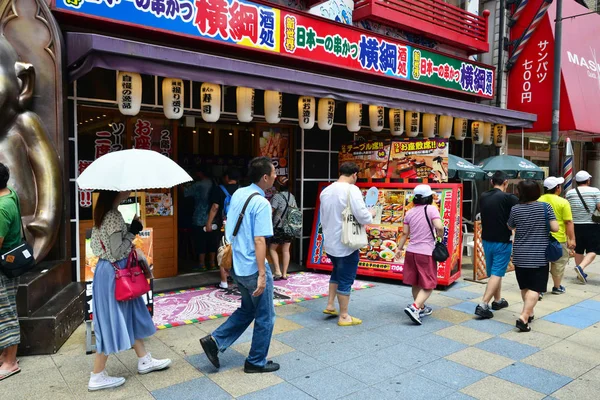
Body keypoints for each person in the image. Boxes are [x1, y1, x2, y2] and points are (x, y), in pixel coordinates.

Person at [199, 157, 280, 373]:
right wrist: (263, 274)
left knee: (247, 310)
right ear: (265, 177)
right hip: (253, 267)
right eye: (273, 173)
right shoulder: (261, 203)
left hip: (237, 264)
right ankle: (256, 361)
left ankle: (215, 341)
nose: (275, 176)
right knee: (266, 316)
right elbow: (260, 240)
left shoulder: (239, 194)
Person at [88, 191, 171, 391]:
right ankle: (97, 375)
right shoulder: (113, 216)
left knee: (131, 314)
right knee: (111, 320)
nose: (129, 191)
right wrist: (133, 232)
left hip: (109, 272)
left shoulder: (105, 213)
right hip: (116, 274)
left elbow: (100, 244)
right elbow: (117, 252)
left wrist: (129, 229)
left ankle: (144, 359)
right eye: (126, 188)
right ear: (116, 191)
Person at [320, 162, 374, 326]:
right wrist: (370, 213)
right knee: (346, 278)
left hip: (330, 242)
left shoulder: (326, 190)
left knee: (336, 271)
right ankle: (344, 316)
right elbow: (362, 215)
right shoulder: (352, 189)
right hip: (346, 243)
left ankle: (330, 305)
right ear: (354, 175)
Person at [507, 180, 558, 332]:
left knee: (525, 286)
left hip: (520, 254)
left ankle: (530, 312)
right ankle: (523, 317)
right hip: (539, 255)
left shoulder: (515, 209)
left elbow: (510, 225)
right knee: (536, 288)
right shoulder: (545, 207)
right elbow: (555, 228)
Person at [397, 185, 444, 325]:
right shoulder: (431, 209)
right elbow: (439, 226)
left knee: (415, 281)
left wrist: (399, 249)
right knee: (429, 284)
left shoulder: (409, 212)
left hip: (411, 251)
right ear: (429, 197)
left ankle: (421, 307)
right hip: (426, 252)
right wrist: (439, 236)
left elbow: (405, 233)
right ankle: (415, 307)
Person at [474, 171, 519, 319]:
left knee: (494, 272)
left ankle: (498, 300)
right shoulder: (509, 198)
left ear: (492, 182)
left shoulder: (483, 196)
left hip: (486, 239)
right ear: (506, 182)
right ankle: (483, 304)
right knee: (497, 272)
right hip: (502, 241)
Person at [0, 163, 22, 381]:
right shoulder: (10, 194)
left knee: (5, 313)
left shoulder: (1, 208)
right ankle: (5, 355)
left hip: (3, 269)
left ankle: (10, 362)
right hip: (11, 264)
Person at [539, 176, 575, 295]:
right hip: (558, 238)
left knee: (541, 263)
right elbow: (568, 222)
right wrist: (572, 238)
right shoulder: (563, 202)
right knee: (558, 263)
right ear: (557, 188)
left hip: (540, 238)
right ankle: (556, 287)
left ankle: (539, 289)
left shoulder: (538, 200)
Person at [206, 167, 241, 289]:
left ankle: (224, 282)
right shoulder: (242, 190)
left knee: (223, 251)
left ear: (227, 177)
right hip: (240, 226)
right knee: (237, 251)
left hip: (224, 226)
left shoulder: (219, 189)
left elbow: (215, 207)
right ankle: (237, 279)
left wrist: (209, 223)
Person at [565, 170, 600, 284]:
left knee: (579, 249)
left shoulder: (570, 193)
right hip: (592, 225)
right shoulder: (595, 191)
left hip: (575, 225)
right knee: (593, 250)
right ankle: (581, 267)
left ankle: (580, 271)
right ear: (588, 180)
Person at [184, 168, 215, 271]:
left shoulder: (199, 184)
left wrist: (179, 185)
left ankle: (202, 264)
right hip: (214, 218)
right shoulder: (214, 182)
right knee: (212, 241)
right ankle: (213, 263)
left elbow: (186, 192)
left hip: (200, 217)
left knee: (200, 241)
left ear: (200, 172)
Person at [269, 181, 298, 280]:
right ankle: (284, 273)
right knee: (286, 250)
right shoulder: (292, 196)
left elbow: (271, 211)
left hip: (278, 226)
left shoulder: (277, 197)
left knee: (272, 248)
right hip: (289, 227)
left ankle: (277, 271)